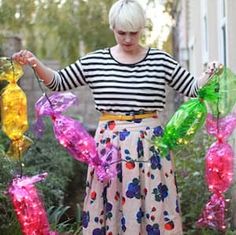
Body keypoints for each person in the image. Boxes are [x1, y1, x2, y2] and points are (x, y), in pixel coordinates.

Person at [12, 0, 220, 234]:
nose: (128, 39)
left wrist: (209, 73)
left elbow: (192, 87)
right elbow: (59, 81)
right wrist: (34, 62)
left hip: (151, 144)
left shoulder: (160, 61)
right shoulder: (96, 61)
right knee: (110, 199)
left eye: (134, 33)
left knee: (153, 200)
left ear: (142, 29)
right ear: (113, 28)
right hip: (109, 145)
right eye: (122, 33)